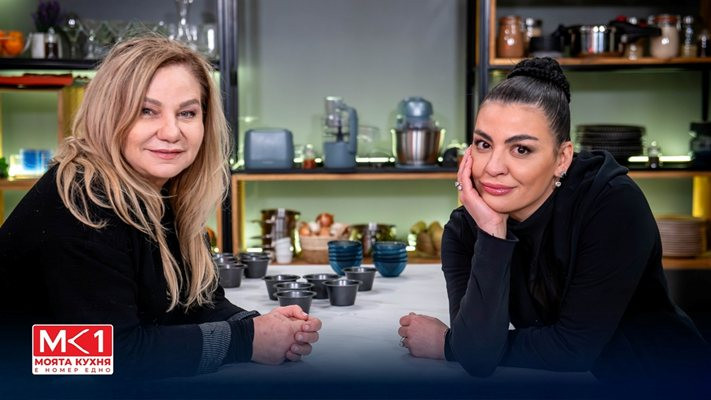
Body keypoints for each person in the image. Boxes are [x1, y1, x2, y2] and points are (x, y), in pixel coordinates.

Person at [0, 37, 321, 379]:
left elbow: (198, 304)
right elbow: (106, 357)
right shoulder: (83, 202)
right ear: (108, 115)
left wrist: (261, 327)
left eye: (187, 113)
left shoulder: (161, 192)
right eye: (146, 111)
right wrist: (247, 340)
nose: (171, 132)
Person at [398, 57, 711, 385]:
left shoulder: (611, 203)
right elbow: (478, 357)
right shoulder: (465, 229)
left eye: (521, 149)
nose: (493, 167)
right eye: (484, 144)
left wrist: (450, 344)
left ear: (562, 158)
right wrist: (492, 232)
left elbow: (572, 349)